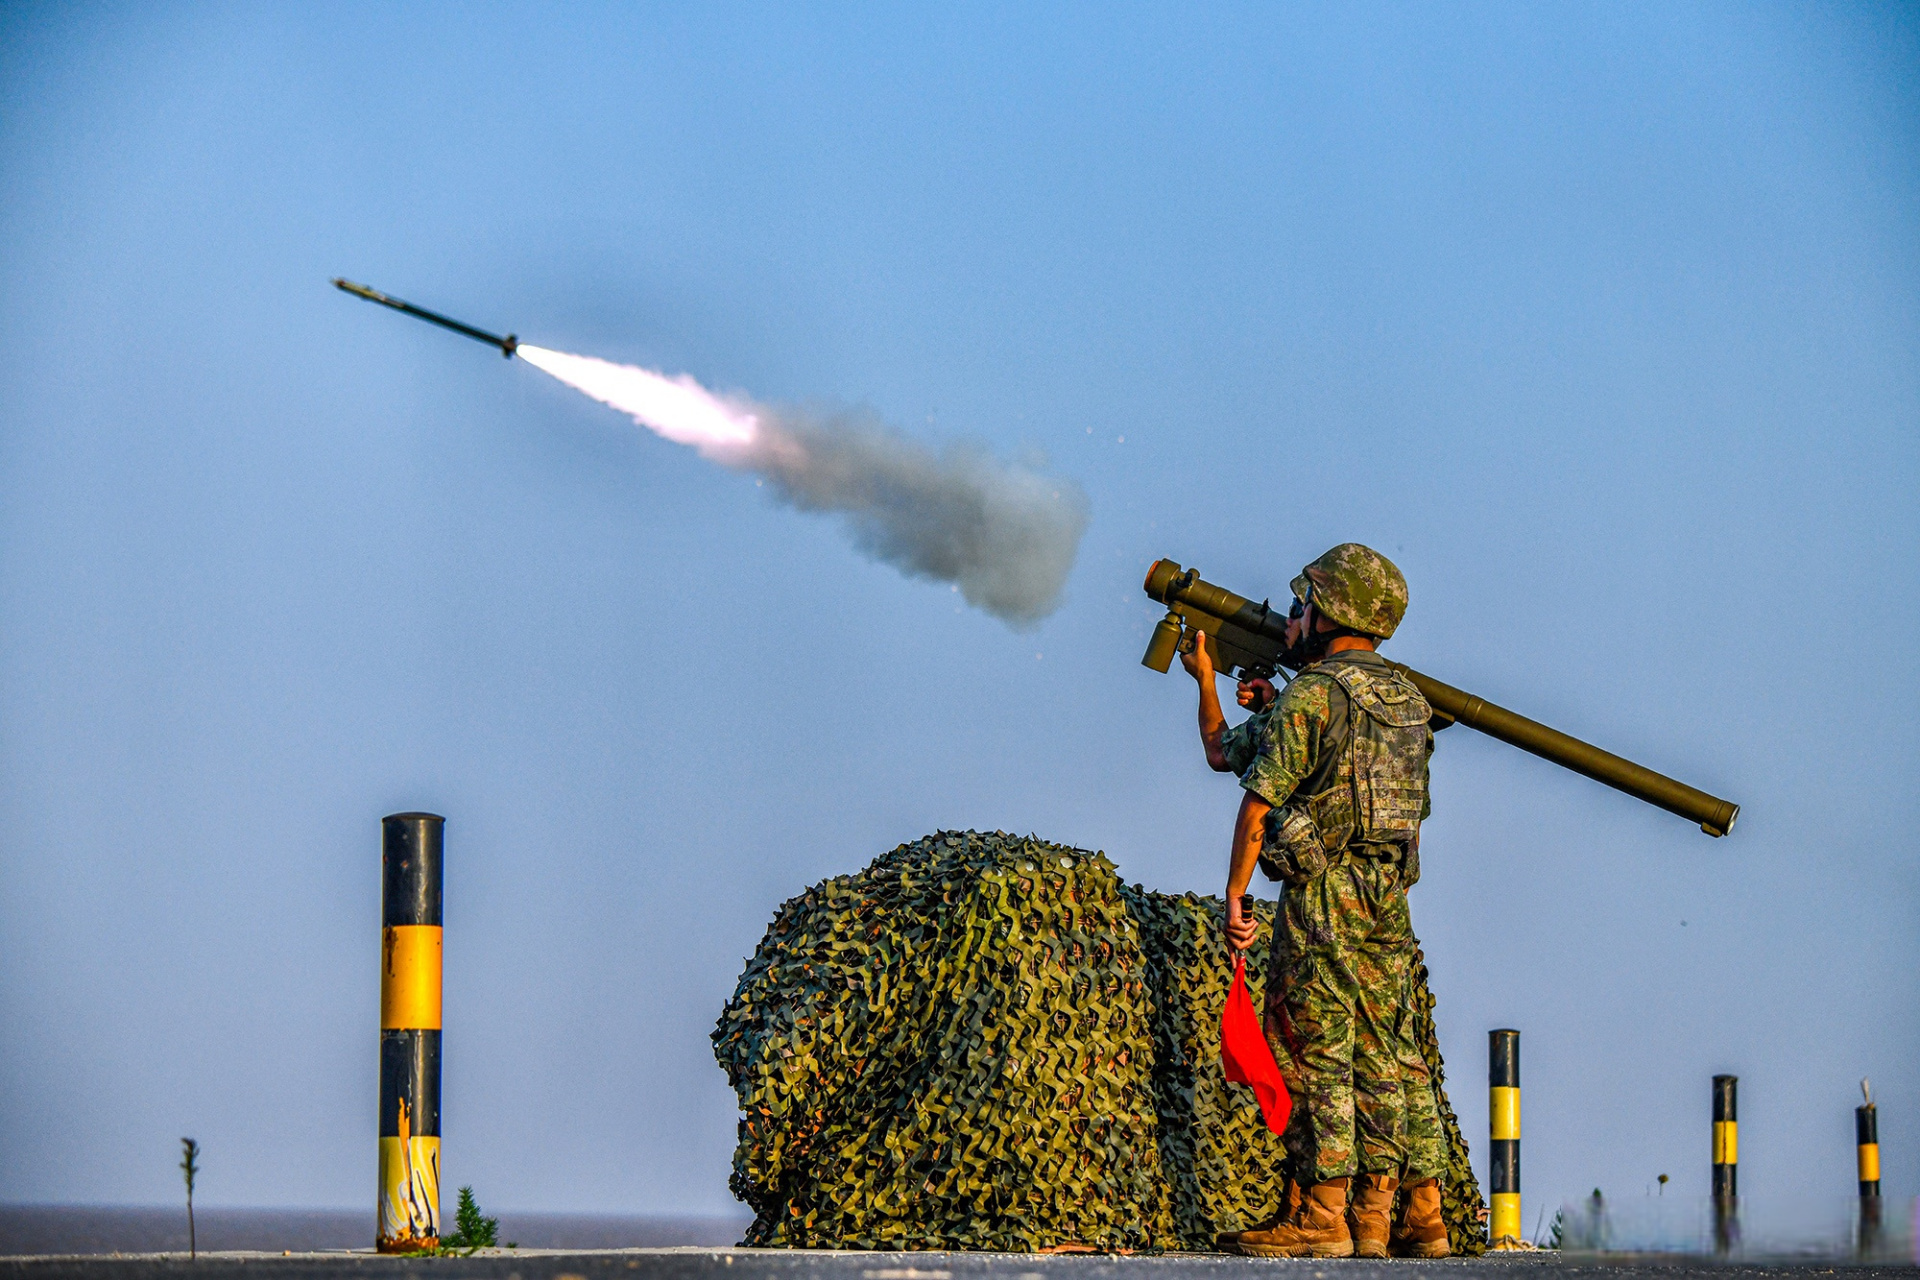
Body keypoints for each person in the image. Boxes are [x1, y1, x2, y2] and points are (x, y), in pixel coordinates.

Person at [1185, 544, 1450, 1260]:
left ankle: (1324, 1215)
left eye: (1304, 606)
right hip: (1386, 896)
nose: (1293, 617)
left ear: (1330, 613)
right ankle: (1409, 1217)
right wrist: (1270, 701)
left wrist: (1236, 896)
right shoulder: (1409, 702)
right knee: (1395, 1055)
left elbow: (1250, 796)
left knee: (1315, 1050)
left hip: (1324, 895)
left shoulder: (1316, 693)